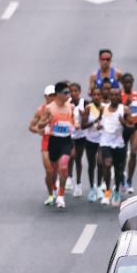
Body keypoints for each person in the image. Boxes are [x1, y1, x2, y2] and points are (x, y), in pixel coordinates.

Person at [35, 81, 75, 209]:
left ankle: (61, 195)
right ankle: (53, 189)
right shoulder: (49, 108)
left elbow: (73, 119)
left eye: (68, 92)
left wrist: (75, 124)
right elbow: (40, 125)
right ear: (58, 94)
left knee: (63, 166)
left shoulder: (70, 106)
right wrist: (48, 121)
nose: (68, 95)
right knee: (52, 172)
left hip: (66, 141)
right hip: (54, 141)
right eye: (65, 93)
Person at [94, 79, 133, 208]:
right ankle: (108, 190)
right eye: (112, 95)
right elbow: (99, 121)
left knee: (118, 170)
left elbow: (132, 126)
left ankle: (116, 191)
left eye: (117, 95)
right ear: (109, 96)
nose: (115, 97)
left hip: (119, 144)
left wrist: (124, 123)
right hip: (105, 142)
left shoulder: (125, 110)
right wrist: (99, 125)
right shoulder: (103, 109)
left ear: (120, 97)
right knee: (107, 163)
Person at [29, 84, 57, 205]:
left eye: (54, 95)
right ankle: (51, 195)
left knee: (57, 170)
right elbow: (31, 126)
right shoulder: (41, 110)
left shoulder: (61, 108)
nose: (52, 98)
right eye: (50, 95)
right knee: (49, 171)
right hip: (46, 142)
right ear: (45, 96)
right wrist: (38, 130)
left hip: (59, 142)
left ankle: (56, 189)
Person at [119, 72, 137, 195]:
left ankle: (129, 180)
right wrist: (126, 104)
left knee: (133, 153)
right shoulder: (119, 95)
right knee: (122, 156)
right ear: (122, 83)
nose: (128, 84)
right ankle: (122, 176)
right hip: (123, 127)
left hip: (135, 126)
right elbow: (116, 110)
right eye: (126, 82)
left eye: (130, 82)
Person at [70, 82, 87, 198]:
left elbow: (96, 115)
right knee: (71, 156)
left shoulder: (85, 103)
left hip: (81, 135)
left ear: (79, 92)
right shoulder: (67, 103)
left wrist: (84, 115)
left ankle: (78, 183)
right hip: (70, 135)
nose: (73, 93)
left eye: (76, 91)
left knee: (78, 159)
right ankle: (69, 177)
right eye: (71, 91)